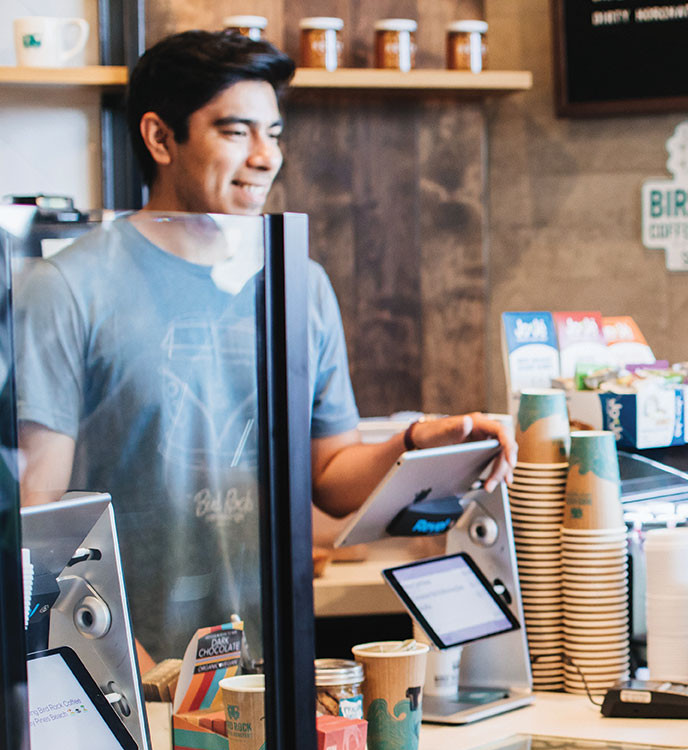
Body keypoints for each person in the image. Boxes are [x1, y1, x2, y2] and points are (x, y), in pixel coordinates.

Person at [15, 31, 513, 664]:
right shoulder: (67, 286)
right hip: (129, 672)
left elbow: (331, 478)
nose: (265, 157)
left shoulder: (296, 284)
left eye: (273, 133)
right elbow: (39, 512)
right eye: (235, 131)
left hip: (272, 664)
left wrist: (415, 443)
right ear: (160, 138)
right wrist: (114, 652)